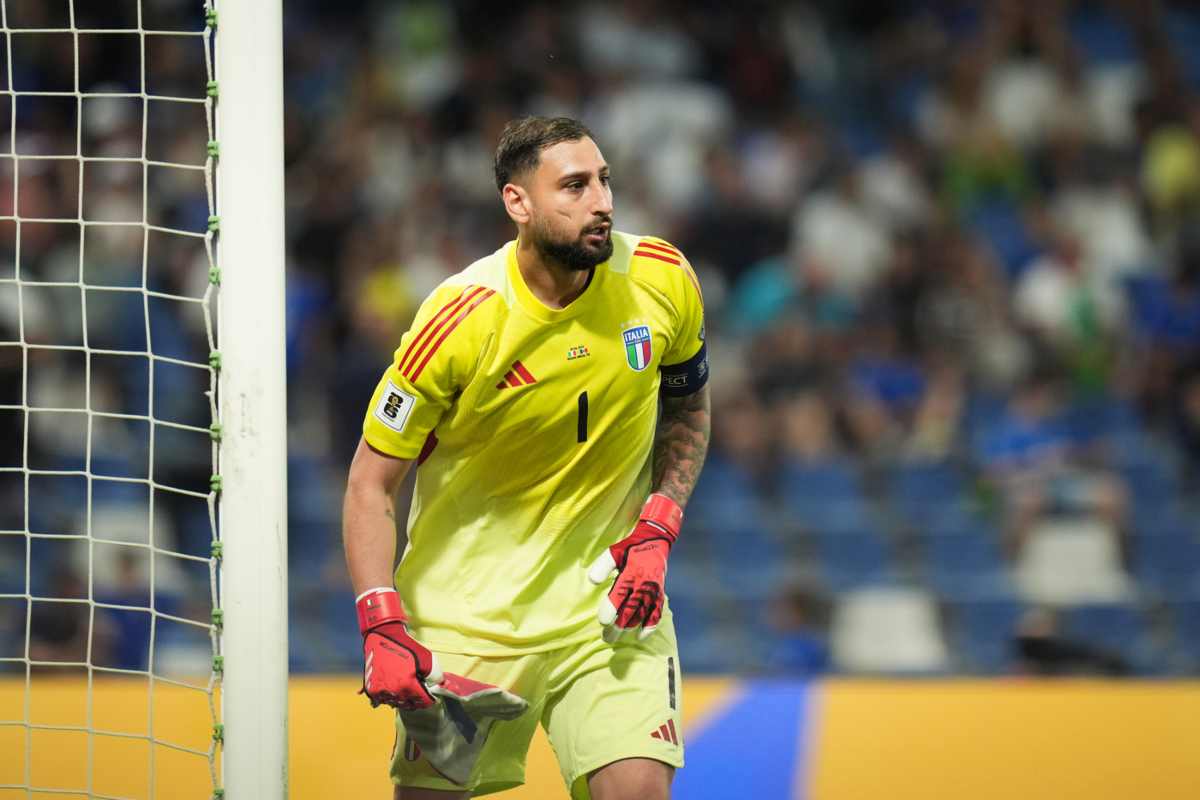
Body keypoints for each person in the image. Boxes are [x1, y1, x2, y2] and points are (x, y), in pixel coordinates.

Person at [343, 116, 710, 800]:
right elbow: (370, 483)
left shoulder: (663, 279)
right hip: (467, 621)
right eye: (573, 186)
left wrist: (658, 526)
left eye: (604, 181)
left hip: (608, 611)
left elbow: (688, 409)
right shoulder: (462, 318)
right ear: (519, 204)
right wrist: (382, 624)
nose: (601, 201)